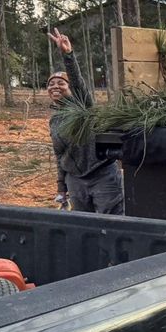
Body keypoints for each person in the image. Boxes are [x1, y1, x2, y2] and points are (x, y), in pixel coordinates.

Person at [46, 28, 124, 214]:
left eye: (61, 83)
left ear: (69, 88)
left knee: (112, 224)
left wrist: (68, 55)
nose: (55, 86)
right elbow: (60, 156)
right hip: (75, 180)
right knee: (84, 227)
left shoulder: (82, 106)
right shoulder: (55, 120)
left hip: (102, 175)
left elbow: (78, 83)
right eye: (50, 84)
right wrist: (61, 186)